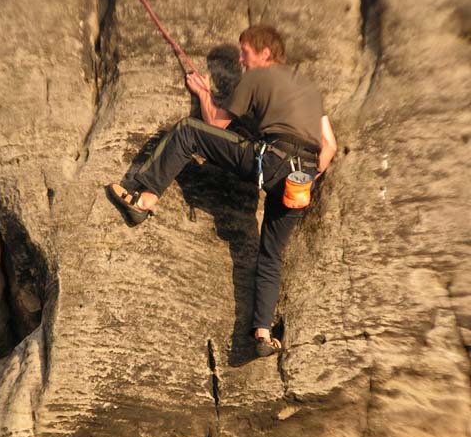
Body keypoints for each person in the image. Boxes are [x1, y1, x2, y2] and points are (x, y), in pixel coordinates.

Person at [107, 25, 337, 357]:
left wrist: (204, 94)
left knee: (188, 131)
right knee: (270, 254)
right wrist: (307, 179)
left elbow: (215, 125)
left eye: (245, 52)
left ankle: (143, 199)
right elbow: (329, 146)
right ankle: (262, 333)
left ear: (265, 54)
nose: (241, 60)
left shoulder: (258, 78)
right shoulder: (311, 90)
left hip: (270, 160)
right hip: (300, 180)